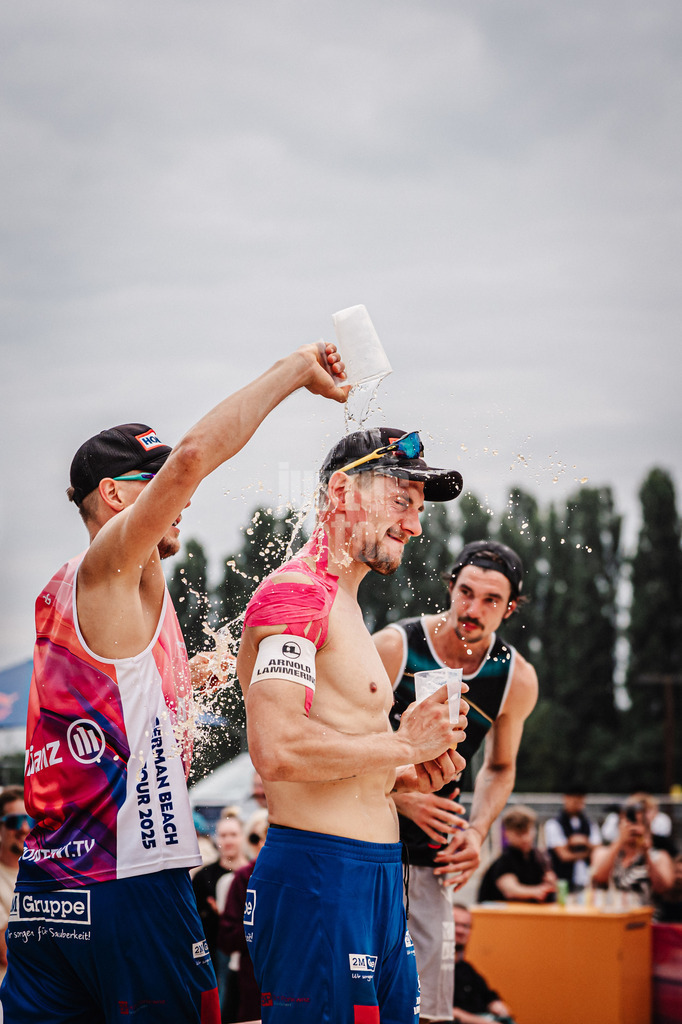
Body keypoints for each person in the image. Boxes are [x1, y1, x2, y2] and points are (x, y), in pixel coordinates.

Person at [1, 343, 348, 1024]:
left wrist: (192, 677)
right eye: (154, 484)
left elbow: (105, 714)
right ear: (114, 496)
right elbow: (192, 457)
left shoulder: (75, 593)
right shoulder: (108, 564)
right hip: (127, 884)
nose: (179, 500)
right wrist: (297, 370)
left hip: (48, 894)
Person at [236, 427, 467, 1024]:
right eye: (402, 502)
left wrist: (407, 772)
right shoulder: (295, 595)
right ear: (342, 491)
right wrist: (399, 742)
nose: (415, 526)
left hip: (377, 876)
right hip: (321, 874)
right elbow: (277, 749)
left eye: (419, 509)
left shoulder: (344, 604)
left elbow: (342, 755)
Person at [372, 539, 538, 1021]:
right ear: (450, 587)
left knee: (430, 1009)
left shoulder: (515, 677)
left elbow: (501, 767)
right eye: (465, 592)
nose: (473, 609)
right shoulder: (394, 647)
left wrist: (478, 832)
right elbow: (342, 743)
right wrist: (398, 795)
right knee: (357, 998)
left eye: (490, 601)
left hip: (434, 855)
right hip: (367, 838)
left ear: (509, 609)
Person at [218, 810, 269, 1023]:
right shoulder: (243, 877)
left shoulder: (295, 877)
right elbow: (227, 937)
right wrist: (262, 928)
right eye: (258, 837)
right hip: (250, 979)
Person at [192, 811, 249, 979]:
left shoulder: (254, 874)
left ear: (242, 837)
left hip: (247, 951)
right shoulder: (204, 877)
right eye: (223, 835)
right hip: (216, 955)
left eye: (233, 835)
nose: (228, 840)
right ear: (217, 839)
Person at [591, 797, 674, 910]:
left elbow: (662, 888)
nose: (633, 828)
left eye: (638, 823)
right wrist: (620, 840)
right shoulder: (603, 852)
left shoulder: (659, 856)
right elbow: (600, 877)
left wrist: (646, 854)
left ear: (646, 828)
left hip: (642, 920)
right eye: (628, 823)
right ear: (619, 825)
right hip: (611, 918)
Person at [477, 805, 557, 904]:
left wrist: (551, 883)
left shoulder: (539, 857)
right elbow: (510, 890)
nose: (525, 839)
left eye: (527, 832)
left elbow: (551, 882)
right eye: (519, 834)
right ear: (507, 834)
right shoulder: (505, 860)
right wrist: (537, 891)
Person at [452, 903, 516, 1024]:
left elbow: (489, 996)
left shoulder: (467, 969)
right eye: (455, 924)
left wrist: (495, 1004)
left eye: (466, 926)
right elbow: (441, 1013)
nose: (460, 931)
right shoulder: (432, 969)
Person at [543, 784, 602, 892]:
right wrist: (573, 844)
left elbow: (598, 851)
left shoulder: (590, 824)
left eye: (581, 801)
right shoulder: (553, 824)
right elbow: (563, 855)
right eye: (575, 801)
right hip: (562, 881)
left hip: (586, 881)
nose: (578, 805)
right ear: (566, 799)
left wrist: (584, 842)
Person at [0, 787, 31, 983]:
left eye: (31, 820)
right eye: (15, 821)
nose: (25, 828)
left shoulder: (47, 872)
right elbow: (6, 950)